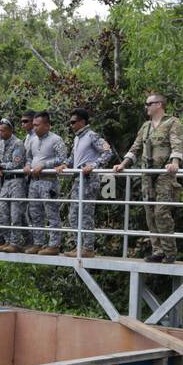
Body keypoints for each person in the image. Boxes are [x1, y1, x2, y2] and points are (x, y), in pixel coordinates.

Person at [114, 93, 183, 262]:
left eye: (148, 104)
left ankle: (170, 251)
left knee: (162, 212)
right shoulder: (146, 126)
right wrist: (123, 165)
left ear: (159, 104)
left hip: (164, 174)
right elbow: (135, 148)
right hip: (147, 174)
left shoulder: (172, 123)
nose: (146, 107)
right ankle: (158, 250)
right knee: (150, 213)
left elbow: (177, 144)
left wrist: (174, 162)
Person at [63, 108, 114, 257]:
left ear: (82, 122)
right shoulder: (77, 138)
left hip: (89, 179)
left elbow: (108, 152)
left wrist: (94, 165)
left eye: (73, 122)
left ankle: (88, 248)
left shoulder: (92, 136)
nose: (71, 125)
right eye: (70, 122)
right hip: (78, 178)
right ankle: (79, 246)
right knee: (73, 215)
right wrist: (65, 165)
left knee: (85, 214)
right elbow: (73, 158)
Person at [26, 112, 69, 255]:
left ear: (47, 125)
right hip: (34, 181)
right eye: (33, 125)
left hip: (49, 181)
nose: (34, 128)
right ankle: (38, 243)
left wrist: (44, 164)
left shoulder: (56, 139)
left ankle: (54, 245)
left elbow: (63, 159)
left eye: (37, 125)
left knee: (52, 213)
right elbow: (28, 157)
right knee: (35, 213)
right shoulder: (32, 140)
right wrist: (27, 165)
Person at [0, 118, 27, 252]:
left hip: (17, 181)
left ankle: (15, 242)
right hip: (5, 181)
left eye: (3, 130)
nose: (0, 132)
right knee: (2, 212)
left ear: (11, 130)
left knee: (16, 213)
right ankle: (8, 240)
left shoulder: (18, 143)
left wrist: (0, 166)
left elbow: (16, 164)